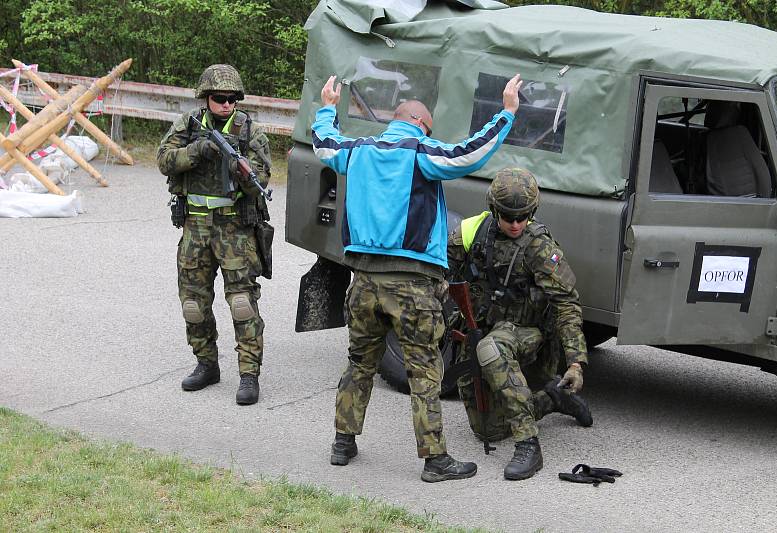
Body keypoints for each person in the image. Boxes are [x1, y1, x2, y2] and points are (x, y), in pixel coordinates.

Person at [312, 73, 523, 482]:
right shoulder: (422, 151)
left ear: (394, 119)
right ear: (422, 125)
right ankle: (435, 460)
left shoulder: (357, 150)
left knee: (359, 363)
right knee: (425, 369)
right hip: (412, 285)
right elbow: (469, 154)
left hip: (363, 281)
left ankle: (343, 442)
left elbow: (323, 142)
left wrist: (326, 107)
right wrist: (507, 113)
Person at [447, 167, 592, 481]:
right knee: (489, 430)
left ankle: (528, 444)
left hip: (528, 333)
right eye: (508, 217)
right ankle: (552, 400)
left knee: (491, 349)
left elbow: (567, 304)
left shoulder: (539, 247)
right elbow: (441, 272)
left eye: (523, 216)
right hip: (481, 329)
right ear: (494, 210)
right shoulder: (472, 231)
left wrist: (576, 362)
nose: (515, 224)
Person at [157, 64, 272, 405]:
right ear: (206, 99)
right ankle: (206, 364)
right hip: (195, 227)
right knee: (193, 303)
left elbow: (263, 178)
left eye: (232, 99)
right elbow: (163, 159)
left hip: (234, 229)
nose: (226, 105)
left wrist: (241, 174)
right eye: (220, 99)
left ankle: (249, 374)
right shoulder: (189, 126)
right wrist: (197, 152)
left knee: (242, 303)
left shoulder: (250, 130)